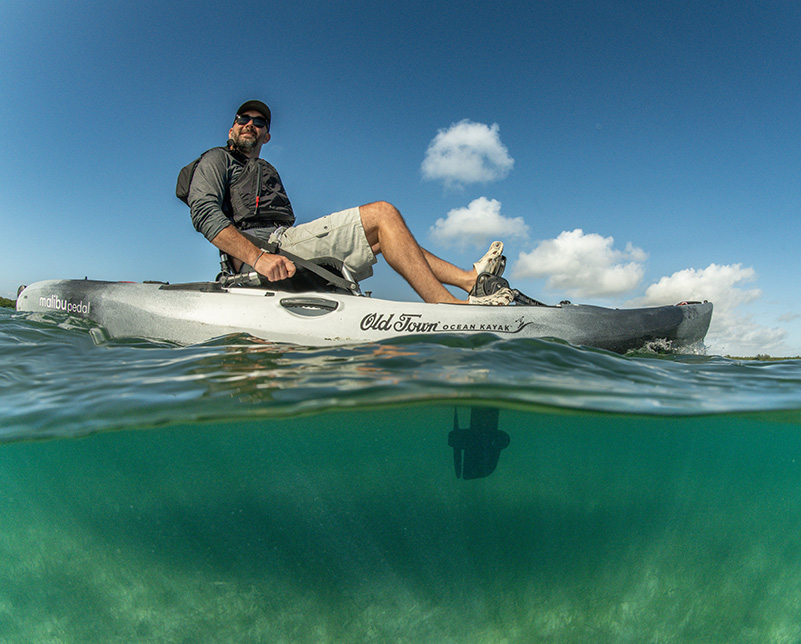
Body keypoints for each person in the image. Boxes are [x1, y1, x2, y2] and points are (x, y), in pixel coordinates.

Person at [187, 100, 514, 305]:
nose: (250, 125)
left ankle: (469, 280)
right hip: (264, 251)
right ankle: (445, 305)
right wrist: (257, 258)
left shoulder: (264, 169)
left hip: (283, 243)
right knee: (383, 215)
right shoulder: (218, 160)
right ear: (232, 126)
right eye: (244, 118)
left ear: (267, 135)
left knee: (392, 237)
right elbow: (204, 214)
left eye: (259, 122)